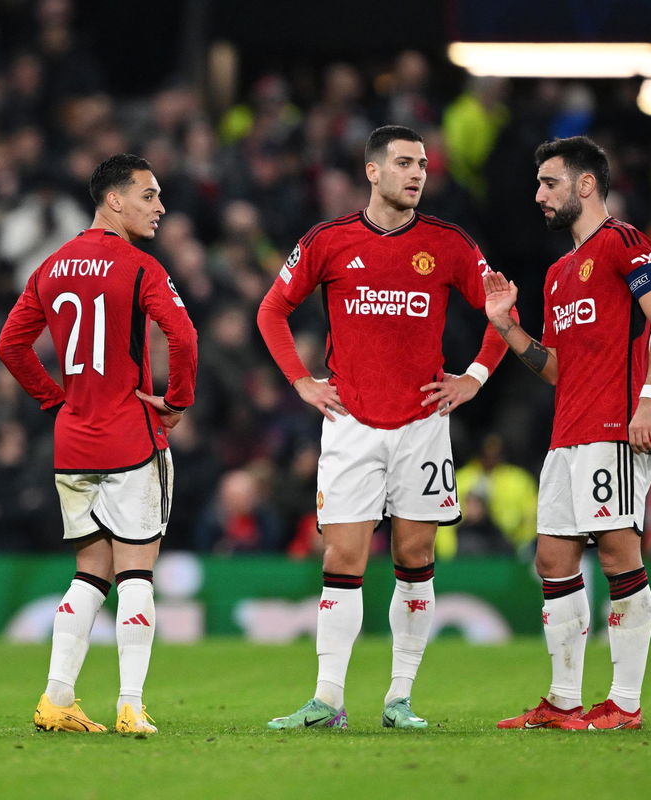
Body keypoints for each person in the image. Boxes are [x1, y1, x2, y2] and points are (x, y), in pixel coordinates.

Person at [256, 125, 512, 730]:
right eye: (403, 163)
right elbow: (271, 310)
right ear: (373, 172)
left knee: (415, 553)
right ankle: (328, 701)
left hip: (423, 424)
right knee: (342, 555)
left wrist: (474, 376)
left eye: (422, 164)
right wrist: (301, 382)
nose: (417, 173)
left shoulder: (448, 243)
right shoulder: (330, 239)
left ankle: (399, 698)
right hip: (350, 424)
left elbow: (502, 311)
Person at [484, 136, 651, 730]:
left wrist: (649, 402)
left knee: (620, 553)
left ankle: (624, 703)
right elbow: (559, 370)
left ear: (585, 184)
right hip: (567, 433)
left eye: (549, 183)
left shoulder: (623, 243)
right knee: (552, 559)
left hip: (614, 428)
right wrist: (510, 330)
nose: (538, 194)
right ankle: (565, 701)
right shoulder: (556, 274)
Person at [0, 154, 198, 735]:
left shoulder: (49, 267)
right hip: (131, 435)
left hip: (73, 441)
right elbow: (182, 335)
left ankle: (57, 697)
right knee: (136, 572)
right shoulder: (140, 267)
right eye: (149, 195)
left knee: (90, 572)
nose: (159, 207)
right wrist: (178, 402)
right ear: (115, 200)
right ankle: (130, 703)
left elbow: (11, 346)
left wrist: (54, 399)